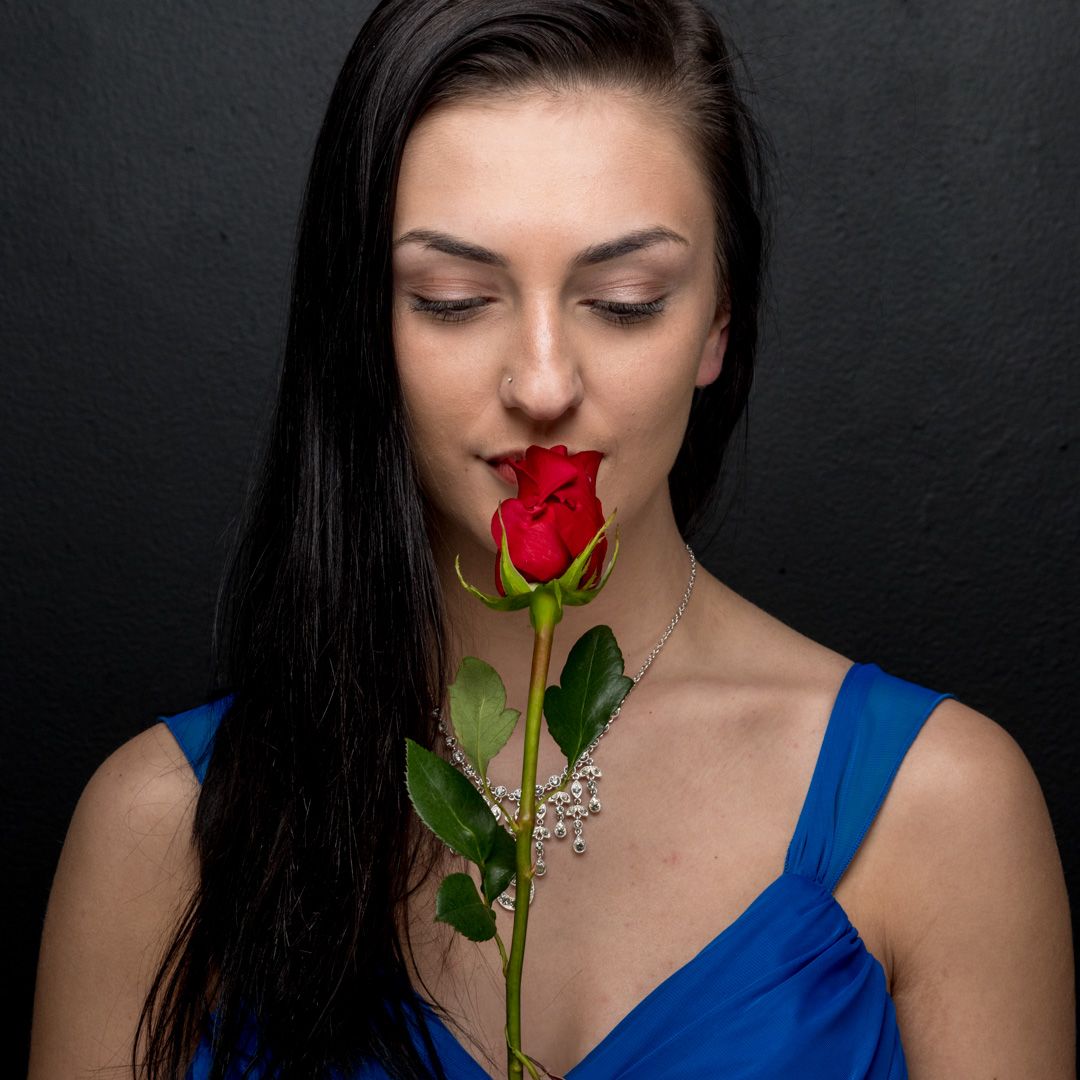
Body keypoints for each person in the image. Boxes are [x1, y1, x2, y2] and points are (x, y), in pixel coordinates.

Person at [28, 0, 1075, 1077]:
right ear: (362, 324)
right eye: (452, 299)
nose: (541, 385)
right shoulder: (164, 830)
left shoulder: (937, 807)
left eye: (624, 301)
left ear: (720, 320)